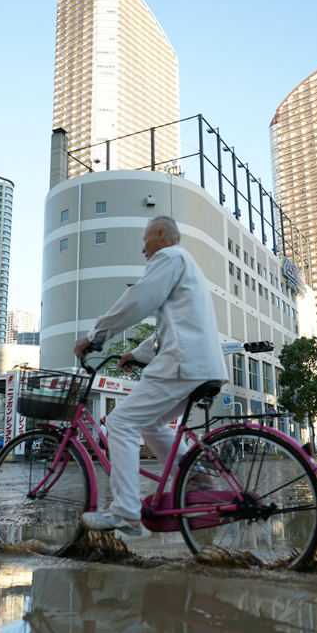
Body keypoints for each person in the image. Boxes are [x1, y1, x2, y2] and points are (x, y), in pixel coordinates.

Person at [74, 216, 228, 536]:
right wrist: (137, 354)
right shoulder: (187, 266)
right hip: (200, 365)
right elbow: (167, 328)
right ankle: (196, 473)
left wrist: (96, 336)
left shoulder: (169, 257)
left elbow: (139, 299)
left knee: (120, 422)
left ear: (161, 235)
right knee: (148, 421)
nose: (143, 248)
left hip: (182, 364)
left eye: (145, 239)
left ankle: (126, 512)